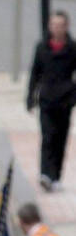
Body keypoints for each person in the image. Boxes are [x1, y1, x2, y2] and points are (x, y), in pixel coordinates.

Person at [26, 10, 76, 192]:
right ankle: (45, 174)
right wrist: (30, 97)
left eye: (61, 25)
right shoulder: (41, 47)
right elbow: (34, 73)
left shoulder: (72, 48)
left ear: (66, 27)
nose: (57, 29)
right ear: (49, 26)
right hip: (46, 99)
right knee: (47, 137)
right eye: (54, 25)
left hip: (65, 100)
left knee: (60, 139)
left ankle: (56, 176)